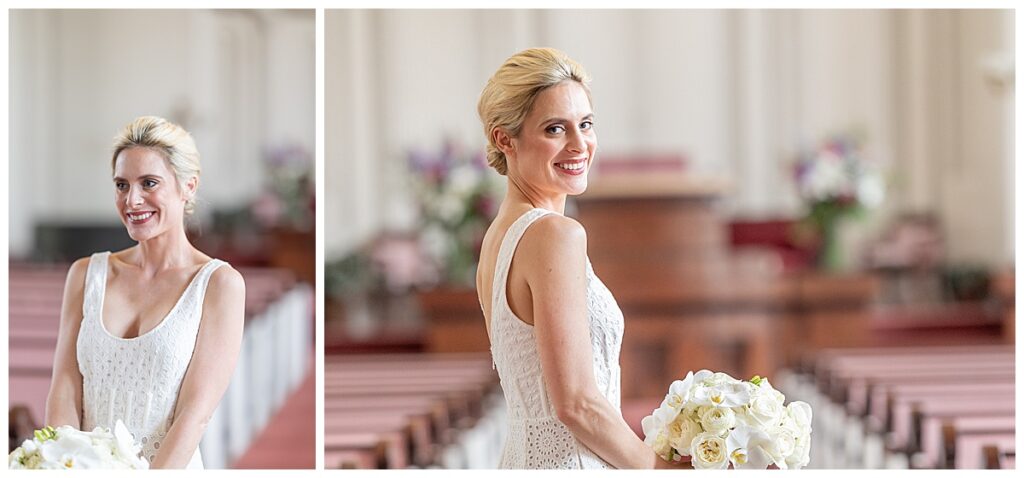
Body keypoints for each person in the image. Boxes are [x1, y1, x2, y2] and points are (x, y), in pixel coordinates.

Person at [475, 48, 680, 469]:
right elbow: (578, 405)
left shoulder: (499, 235)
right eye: (555, 129)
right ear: (504, 138)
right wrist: (660, 469)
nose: (579, 144)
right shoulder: (553, 235)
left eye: (585, 124)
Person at [44, 116, 246, 469]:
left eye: (149, 183)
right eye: (121, 185)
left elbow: (193, 415)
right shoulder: (85, 274)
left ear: (189, 187)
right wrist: (63, 467)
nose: (132, 200)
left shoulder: (219, 285)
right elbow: (63, 391)